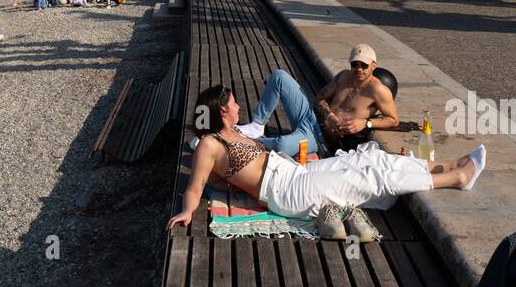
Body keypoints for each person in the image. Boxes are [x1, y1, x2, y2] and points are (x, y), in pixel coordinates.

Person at [167, 83, 486, 240]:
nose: (239, 106)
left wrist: (230, 182)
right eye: (234, 103)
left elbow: (223, 178)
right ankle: (456, 178)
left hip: (292, 173)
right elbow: (196, 187)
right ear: (222, 110)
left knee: (366, 160)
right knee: (367, 176)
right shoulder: (209, 143)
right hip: (287, 191)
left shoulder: (233, 130)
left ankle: (443, 166)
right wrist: (187, 209)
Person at [235, 44, 400, 157]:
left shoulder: (378, 90)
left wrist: (366, 123)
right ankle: (257, 124)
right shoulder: (344, 76)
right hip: (311, 118)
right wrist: (329, 115)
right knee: (279, 76)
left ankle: (247, 141)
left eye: (363, 65)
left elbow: (393, 120)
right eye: (354, 64)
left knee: (282, 146)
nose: (358, 69)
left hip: (319, 137)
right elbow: (319, 99)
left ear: (373, 66)